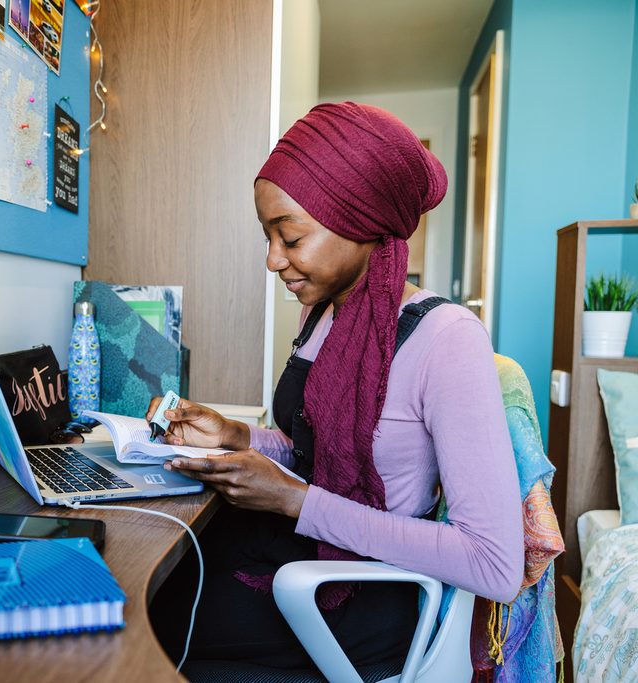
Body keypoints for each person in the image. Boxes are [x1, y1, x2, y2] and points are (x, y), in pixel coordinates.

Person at [149, 102, 524, 669]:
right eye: (268, 236)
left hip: (368, 588)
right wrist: (235, 437)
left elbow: (494, 564)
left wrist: (296, 502)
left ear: (363, 226)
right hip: (299, 544)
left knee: (151, 616)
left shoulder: (447, 338)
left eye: (291, 238)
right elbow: (313, 451)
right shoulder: (320, 317)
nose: (273, 259)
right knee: (150, 578)